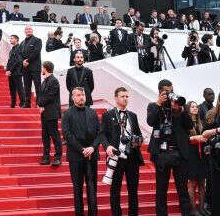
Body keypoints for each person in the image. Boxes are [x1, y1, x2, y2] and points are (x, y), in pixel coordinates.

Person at [147, 79, 194, 216]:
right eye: (167, 92)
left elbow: (189, 126)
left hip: (179, 153)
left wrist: (180, 110)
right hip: (162, 154)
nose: (170, 94)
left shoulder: (178, 107)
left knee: (182, 189)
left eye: (171, 91)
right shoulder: (153, 106)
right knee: (161, 190)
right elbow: (151, 121)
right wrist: (159, 104)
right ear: (160, 92)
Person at [99, 87, 142, 216]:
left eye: (127, 96)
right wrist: (107, 146)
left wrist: (138, 140)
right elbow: (102, 134)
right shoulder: (108, 115)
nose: (125, 99)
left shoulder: (133, 115)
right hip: (116, 156)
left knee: (133, 190)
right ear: (116, 98)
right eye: (122, 96)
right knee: (115, 189)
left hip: (132, 156)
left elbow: (139, 134)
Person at [61, 86, 100, 215]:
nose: (81, 97)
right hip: (76, 156)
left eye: (83, 95)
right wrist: (82, 149)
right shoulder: (67, 114)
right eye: (78, 95)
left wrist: (92, 147)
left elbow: (99, 133)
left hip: (91, 155)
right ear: (73, 98)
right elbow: (67, 135)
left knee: (92, 188)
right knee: (77, 189)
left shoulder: (92, 112)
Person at [36, 61, 63, 166]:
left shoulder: (53, 81)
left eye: (42, 67)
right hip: (44, 112)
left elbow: (50, 96)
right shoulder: (44, 81)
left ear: (45, 68)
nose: (41, 69)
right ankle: (46, 157)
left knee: (54, 135)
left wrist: (40, 104)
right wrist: (40, 105)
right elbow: (41, 96)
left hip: (52, 113)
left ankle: (58, 157)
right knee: (45, 135)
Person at [185, 101, 209, 215]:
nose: (195, 108)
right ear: (188, 109)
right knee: (192, 182)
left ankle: (202, 208)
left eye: (196, 107)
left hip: (202, 155)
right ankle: (193, 209)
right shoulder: (185, 122)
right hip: (191, 154)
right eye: (192, 107)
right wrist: (195, 138)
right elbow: (184, 139)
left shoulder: (201, 122)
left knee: (202, 182)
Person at [19, 25, 42, 108]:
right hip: (25, 68)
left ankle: (39, 103)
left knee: (37, 86)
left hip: (35, 67)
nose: (28, 30)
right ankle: (27, 103)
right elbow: (19, 54)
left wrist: (27, 61)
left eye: (30, 29)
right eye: (27, 29)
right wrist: (23, 61)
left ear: (32, 30)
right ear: (25, 31)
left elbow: (36, 52)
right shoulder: (22, 43)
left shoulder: (37, 40)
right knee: (27, 86)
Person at [4, 35, 24, 108]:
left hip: (17, 72)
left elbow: (18, 61)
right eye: (10, 38)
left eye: (12, 38)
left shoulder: (19, 48)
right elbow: (10, 61)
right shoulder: (12, 49)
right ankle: (13, 104)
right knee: (12, 89)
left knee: (19, 88)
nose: (10, 40)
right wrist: (7, 70)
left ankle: (22, 103)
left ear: (16, 40)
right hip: (11, 73)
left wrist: (10, 70)